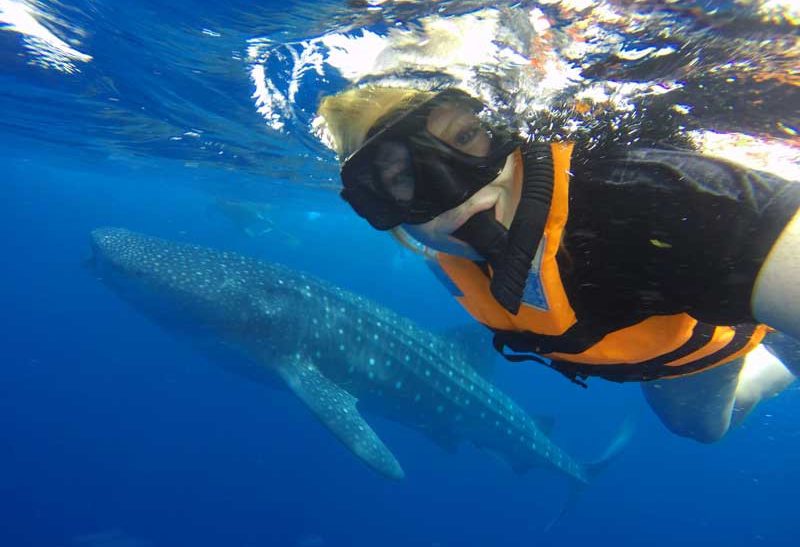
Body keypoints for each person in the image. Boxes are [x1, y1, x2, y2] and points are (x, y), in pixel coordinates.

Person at [316, 85, 800, 439]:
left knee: (716, 414)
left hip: (721, 322)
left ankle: (782, 348)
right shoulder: (441, 258)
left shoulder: (656, 200)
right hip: (650, 359)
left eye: (466, 136)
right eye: (401, 179)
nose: (456, 194)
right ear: (381, 209)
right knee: (694, 429)